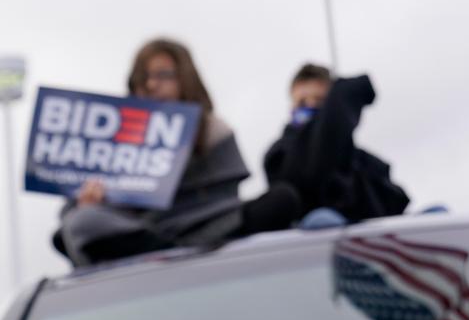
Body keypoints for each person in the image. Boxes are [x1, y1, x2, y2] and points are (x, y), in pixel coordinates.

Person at [54, 38, 296, 266]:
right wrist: (89, 203)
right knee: (80, 222)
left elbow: (225, 195)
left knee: (283, 198)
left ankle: (174, 255)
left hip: (216, 225)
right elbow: (76, 222)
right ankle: (170, 253)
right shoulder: (111, 140)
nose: (151, 85)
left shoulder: (213, 130)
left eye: (163, 75)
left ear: (185, 79)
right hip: (144, 231)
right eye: (142, 78)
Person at [263, 64, 410, 224]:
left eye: (319, 100)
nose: (311, 105)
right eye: (302, 102)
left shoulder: (365, 163)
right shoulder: (279, 155)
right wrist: (344, 94)